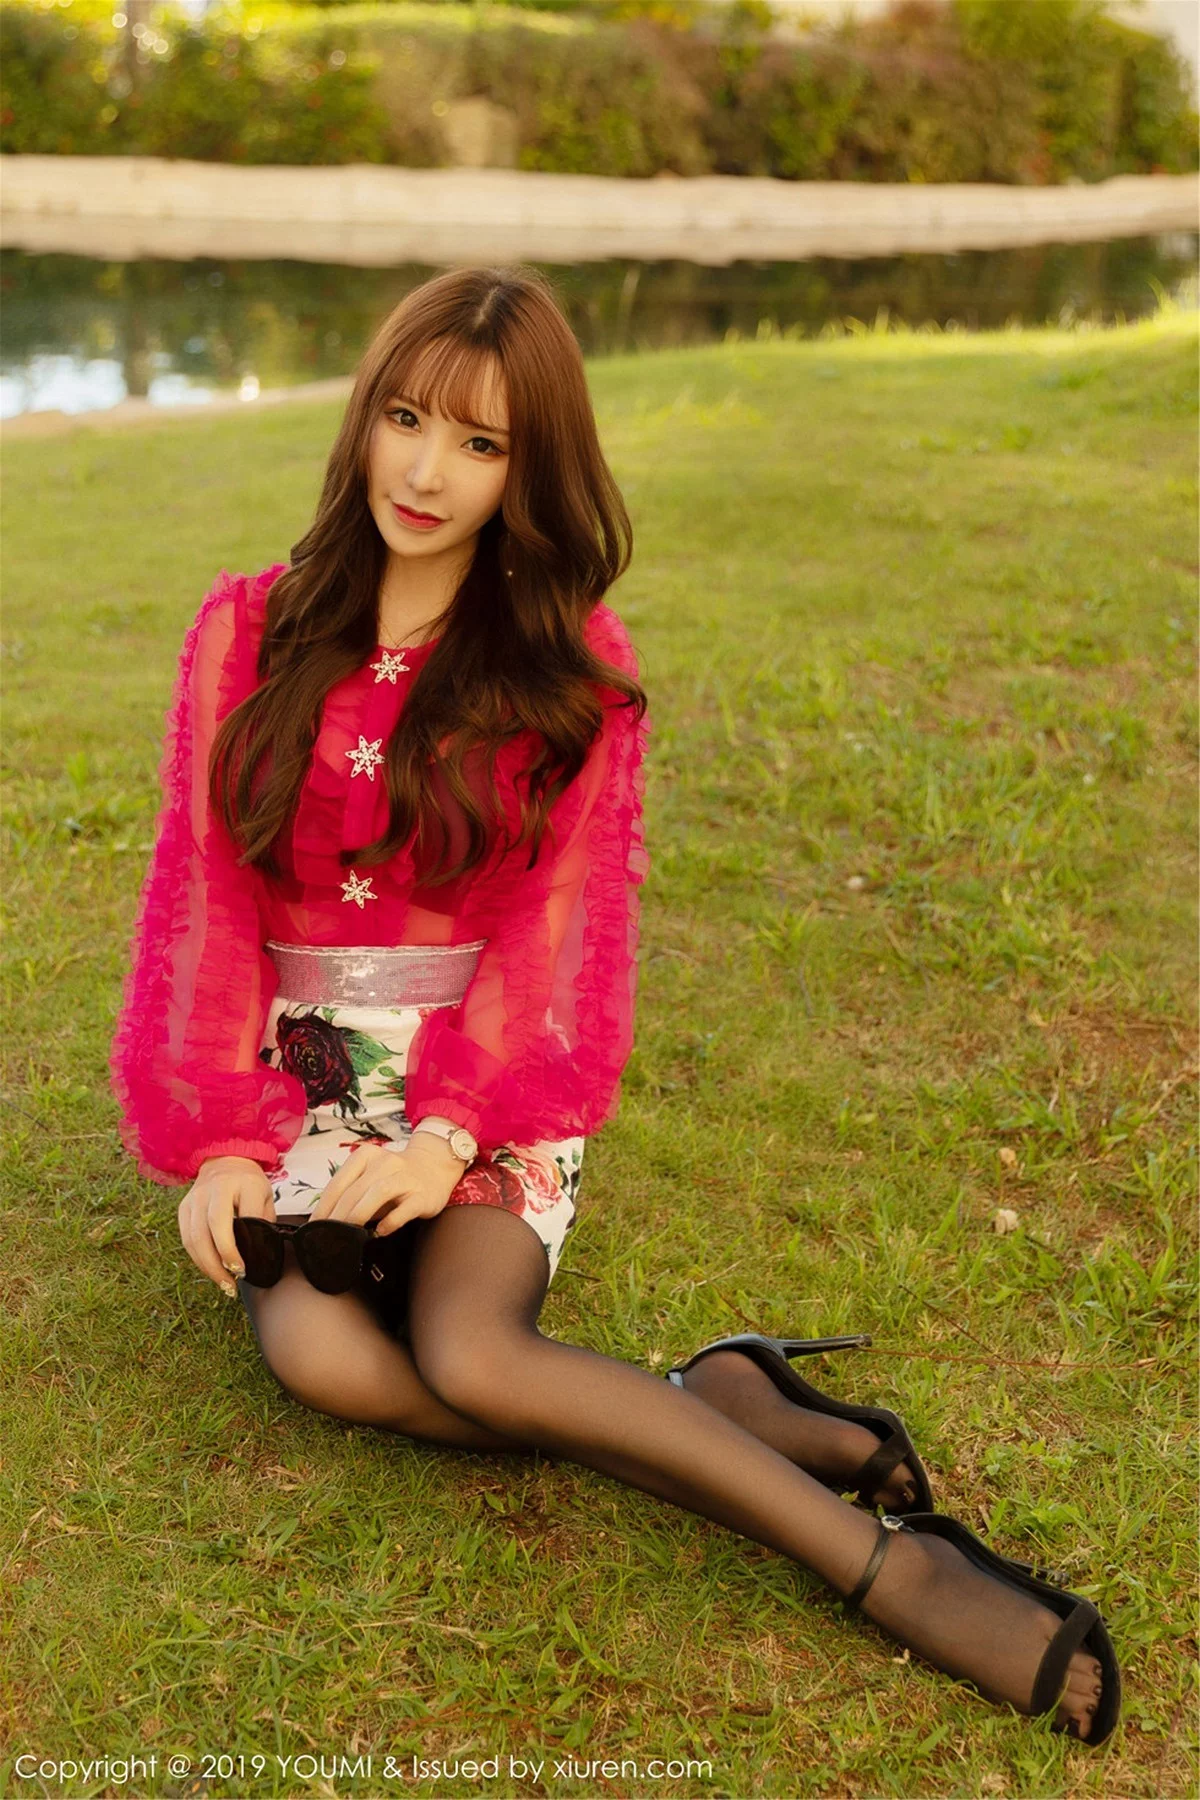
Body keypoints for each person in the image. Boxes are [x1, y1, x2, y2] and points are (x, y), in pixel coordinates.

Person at [109, 265, 1119, 1747]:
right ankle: (710, 1396)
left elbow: (554, 935)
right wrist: (220, 1140)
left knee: (470, 1354)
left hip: (485, 1078)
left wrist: (450, 1132)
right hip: (300, 1084)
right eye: (406, 420)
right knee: (321, 1357)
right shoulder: (243, 629)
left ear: (530, 471)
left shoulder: (568, 667)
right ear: (364, 418)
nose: (427, 473)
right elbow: (202, 899)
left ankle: (892, 1569)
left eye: (481, 444)